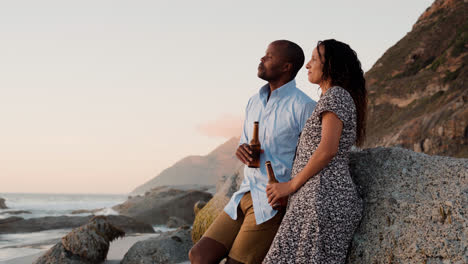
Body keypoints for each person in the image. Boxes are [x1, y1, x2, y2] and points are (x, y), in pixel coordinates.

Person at [189, 40, 316, 264]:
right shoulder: (253, 101)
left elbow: (315, 157)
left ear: (287, 66)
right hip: (244, 194)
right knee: (199, 255)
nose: (262, 59)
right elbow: (244, 142)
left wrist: (292, 194)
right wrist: (242, 150)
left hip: (271, 202)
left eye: (269, 56)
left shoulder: (304, 106)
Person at [263, 39, 367, 263]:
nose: (307, 65)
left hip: (323, 199)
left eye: (313, 59)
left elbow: (327, 149)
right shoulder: (329, 98)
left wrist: (290, 186)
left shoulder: (336, 95)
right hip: (315, 198)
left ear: (330, 65)